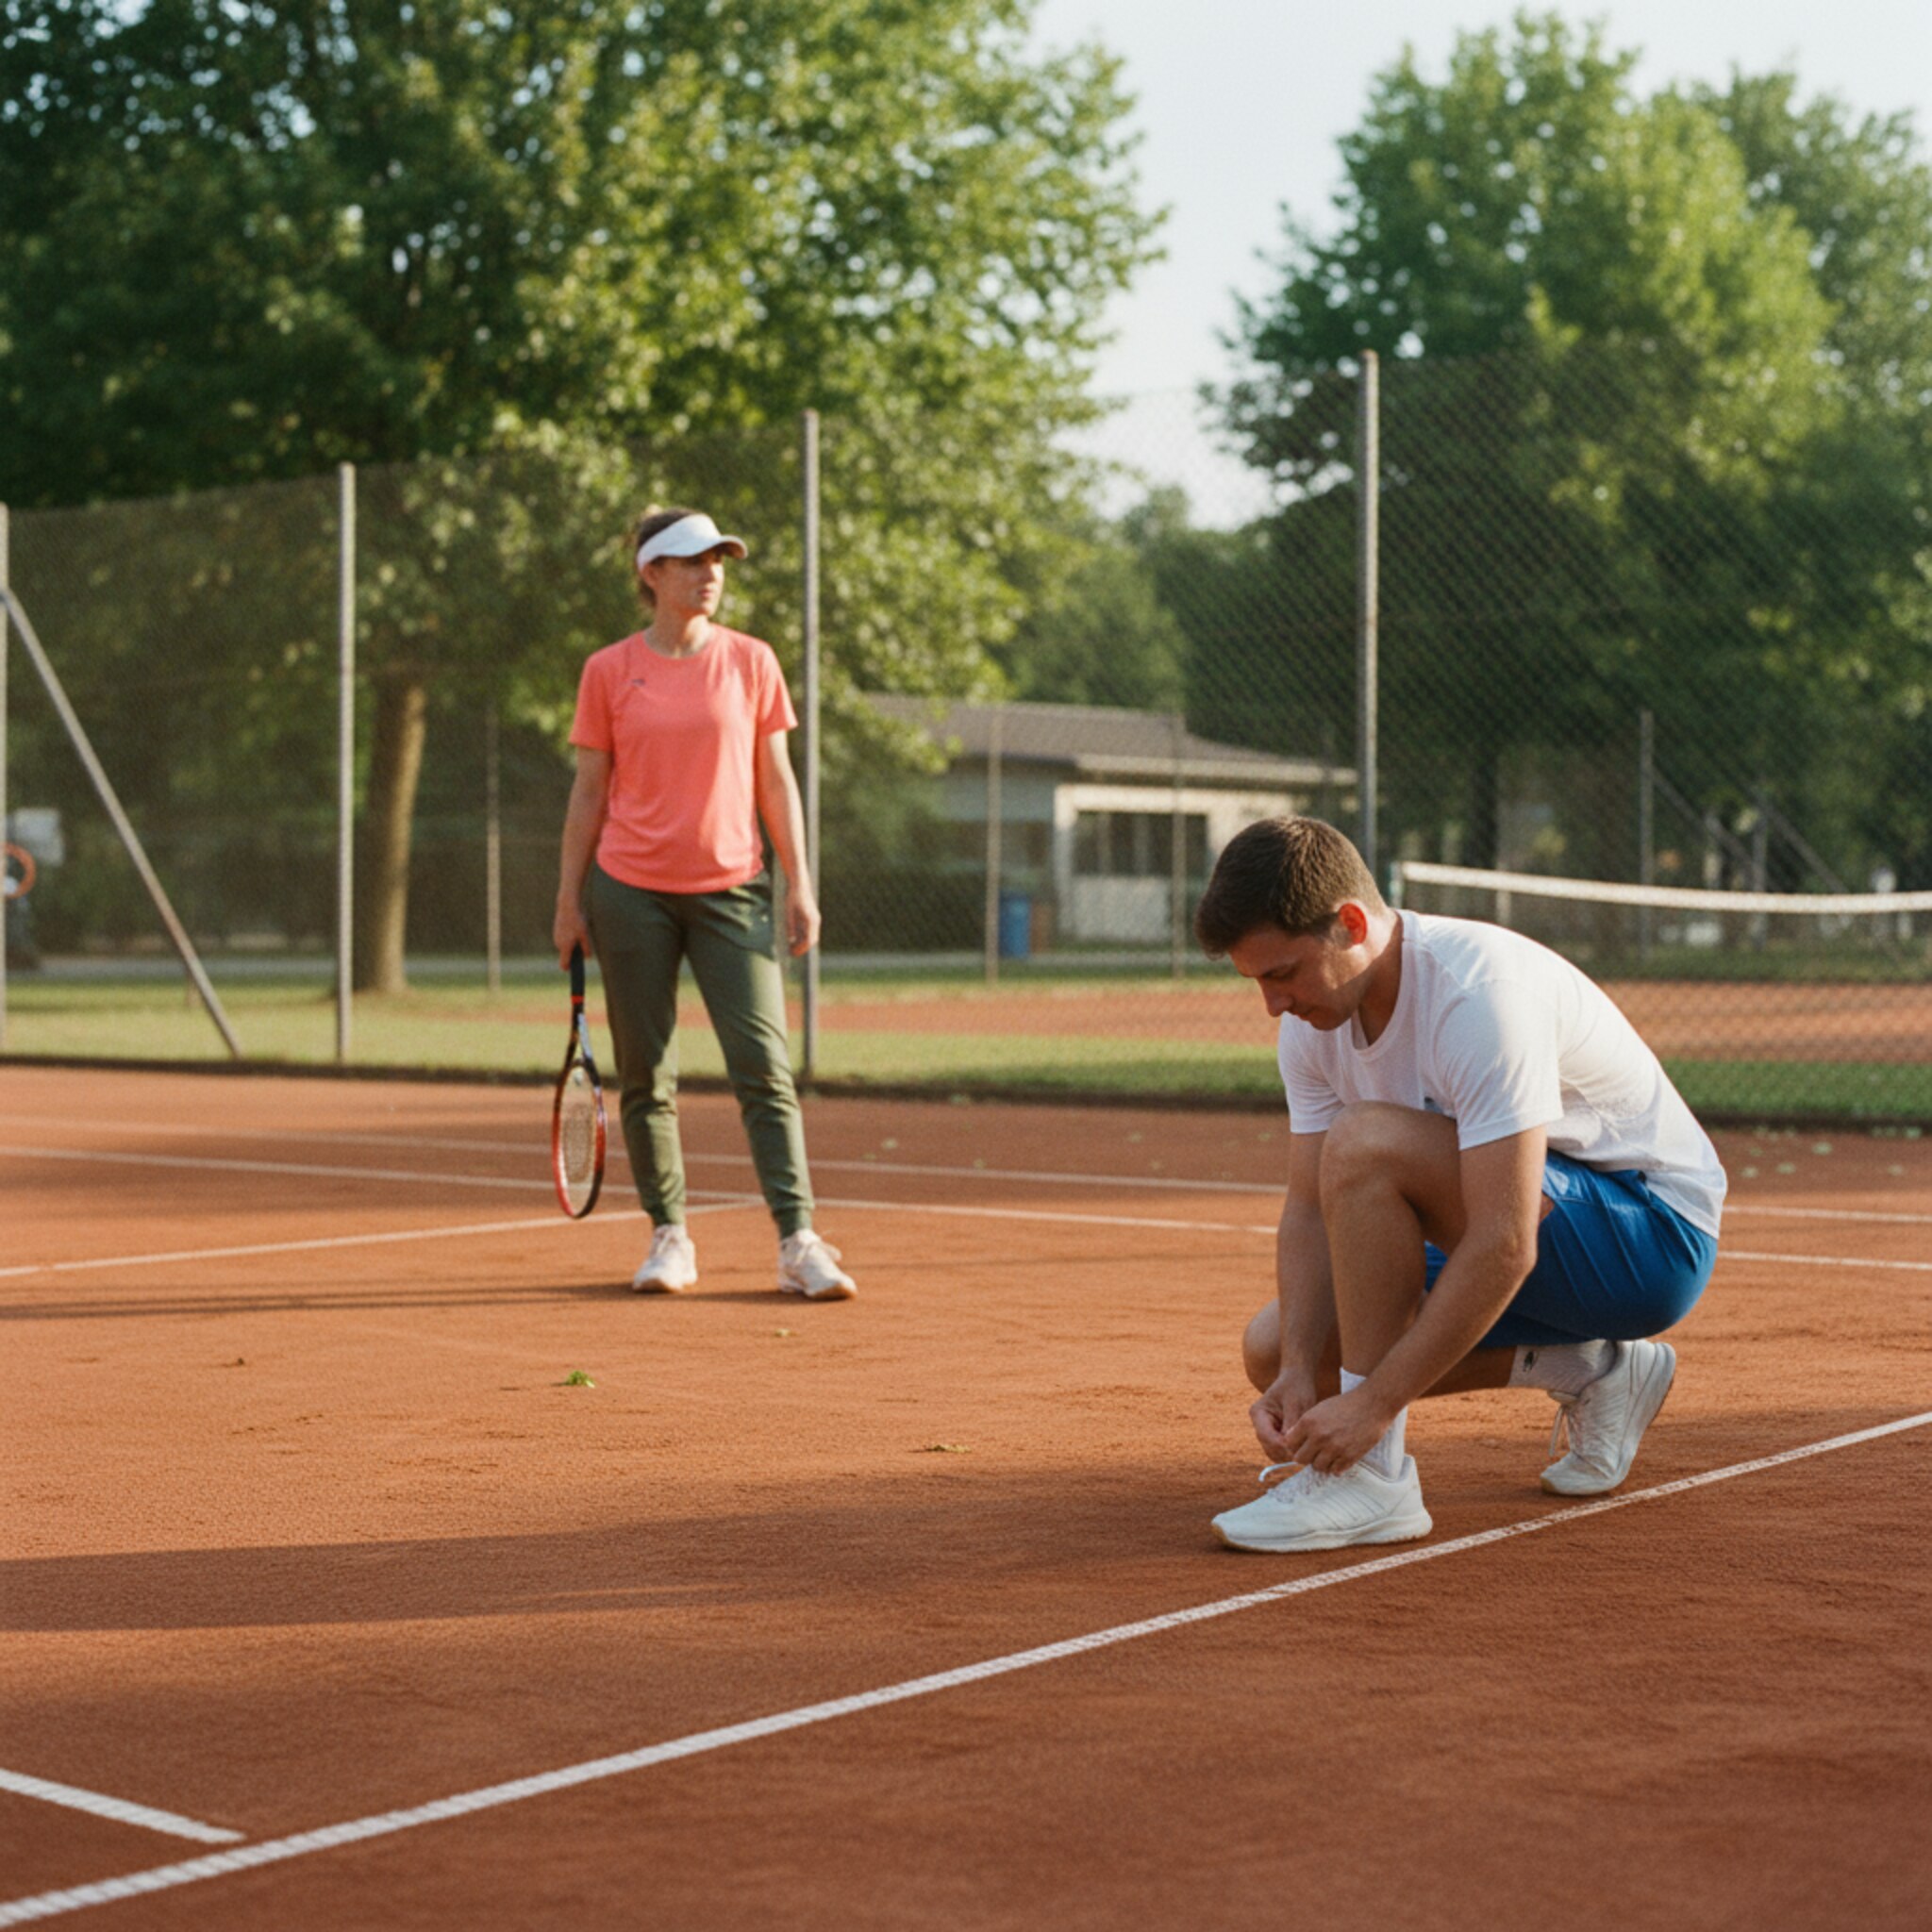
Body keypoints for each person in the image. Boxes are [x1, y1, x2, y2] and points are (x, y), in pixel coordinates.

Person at [1192, 816, 1724, 1553]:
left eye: (1281, 974)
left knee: (1365, 1144)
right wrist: (1291, 1374)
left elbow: (1505, 1245)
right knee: (1279, 1343)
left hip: (1651, 1238)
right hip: (1523, 1220)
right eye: (1256, 982)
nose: (1272, 1005)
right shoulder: (1309, 1029)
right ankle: (1597, 1369)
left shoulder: (1477, 996)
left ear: (1350, 924)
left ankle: (1373, 1482)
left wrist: (1371, 1407)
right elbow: (1310, 1208)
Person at [553, 507, 856, 1301]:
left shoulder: (753, 662)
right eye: (691, 560)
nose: (710, 573)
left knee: (764, 1070)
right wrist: (567, 899)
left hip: (733, 890)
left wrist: (801, 881)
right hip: (629, 892)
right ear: (652, 573)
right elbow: (589, 790)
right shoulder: (609, 670)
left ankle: (799, 1242)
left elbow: (774, 779)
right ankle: (669, 1237)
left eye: (719, 559)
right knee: (646, 1076)